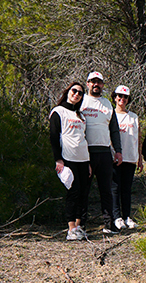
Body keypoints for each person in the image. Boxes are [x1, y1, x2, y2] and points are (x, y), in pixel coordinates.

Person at [82, 72, 125, 233]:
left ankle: (109, 224)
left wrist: (118, 151)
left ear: (102, 85)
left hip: (105, 152)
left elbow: (114, 130)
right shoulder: (82, 101)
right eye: (93, 82)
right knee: (84, 190)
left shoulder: (107, 104)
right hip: (85, 153)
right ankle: (81, 225)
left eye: (99, 82)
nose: (96, 85)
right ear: (87, 83)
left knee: (106, 190)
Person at [50, 82, 92, 240]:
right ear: (68, 91)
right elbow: (54, 137)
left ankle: (79, 227)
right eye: (74, 91)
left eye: (80, 93)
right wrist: (58, 160)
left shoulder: (81, 116)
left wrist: (88, 163)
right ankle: (71, 228)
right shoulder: (58, 112)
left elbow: (83, 138)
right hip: (68, 159)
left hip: (83, 159)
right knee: (73, 193)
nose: (76, 94)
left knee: (83, 193)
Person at [113, 85, 143, 230]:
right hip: (115, 157)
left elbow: (138, 137)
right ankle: (116, 216)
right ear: (114, 97)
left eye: (125, 97)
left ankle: (127, 216)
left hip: (130, 157)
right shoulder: (111, 115)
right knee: (115, 188)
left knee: (126, 189)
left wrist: (139, 158)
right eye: (120, 96)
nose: (122, 99)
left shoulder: (134, 117)